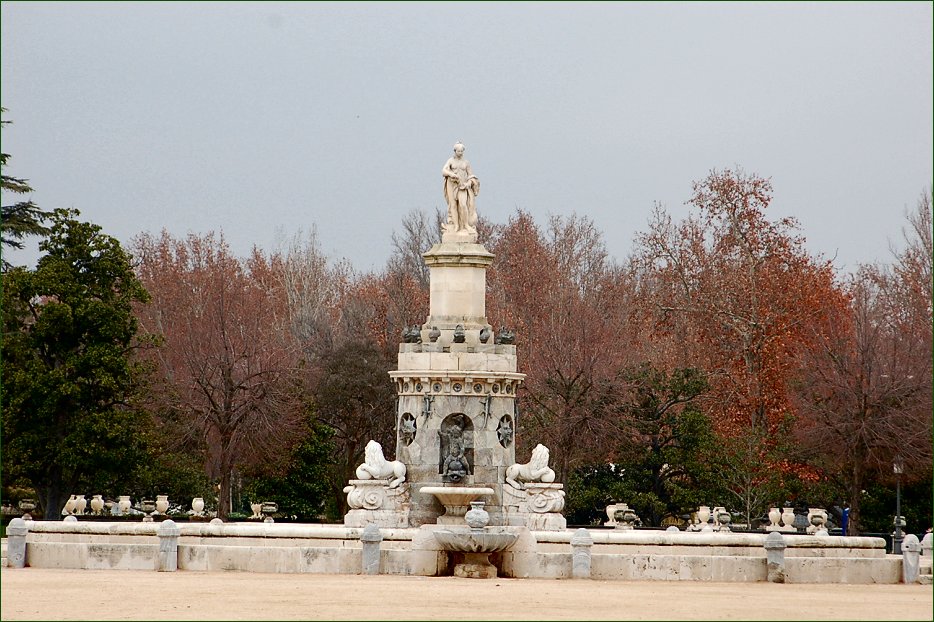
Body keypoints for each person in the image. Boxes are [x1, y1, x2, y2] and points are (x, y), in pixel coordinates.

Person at [442, 142, 480, 238]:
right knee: (453, 205)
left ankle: (466, 225)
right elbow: (444, 171)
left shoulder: (466, 162)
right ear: (455, 151)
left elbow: (471, 175)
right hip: (452, 185)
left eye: (462, 151)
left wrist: (469, 183)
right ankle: (456, 226)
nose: (460, 153)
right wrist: (451, 174)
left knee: (463, 205)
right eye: (458, 151)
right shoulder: (450, 161)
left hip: (462, 186)